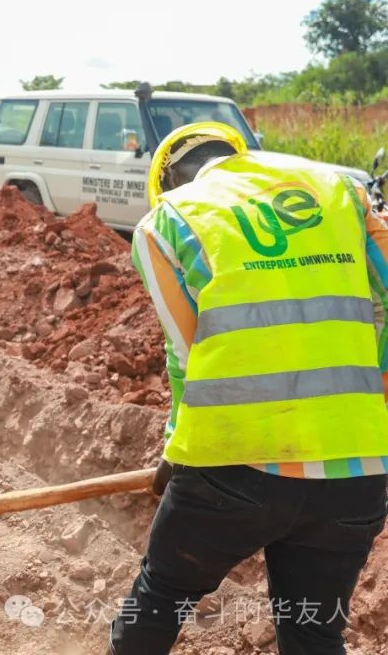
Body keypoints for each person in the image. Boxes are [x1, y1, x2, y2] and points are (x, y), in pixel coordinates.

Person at [110, 122, 388, 654]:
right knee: (314, 630)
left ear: (169, 182)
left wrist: (175, 452)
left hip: (235, 465)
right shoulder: (342, 190)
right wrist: (375, 394)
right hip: (358, 467)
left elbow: (186, 357)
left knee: (160, 597)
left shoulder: (166, 221)